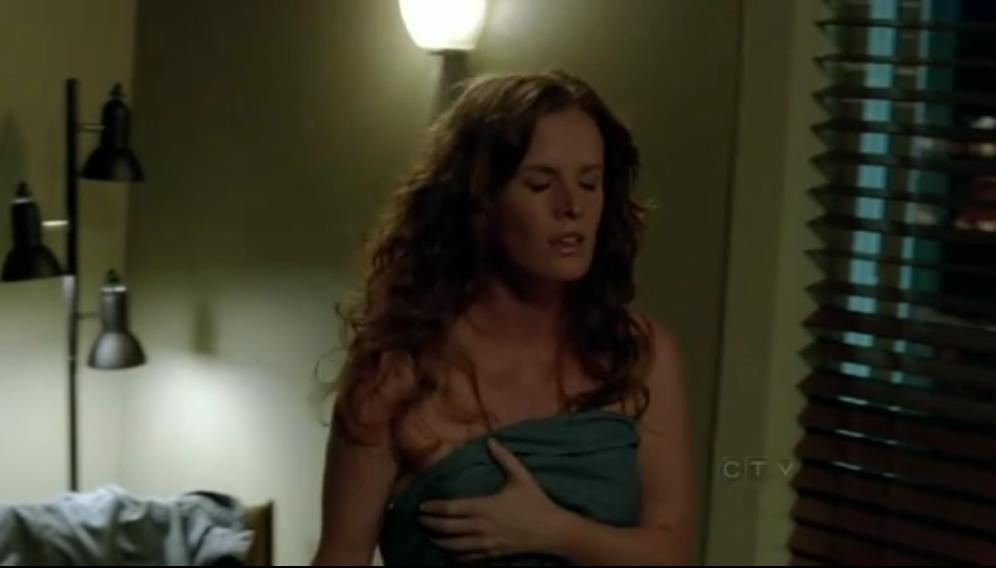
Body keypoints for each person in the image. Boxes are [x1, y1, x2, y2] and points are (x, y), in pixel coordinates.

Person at [311, 70, 694, 566]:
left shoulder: (638, 354)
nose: (572, 207)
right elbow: (341, 555)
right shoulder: (399, 371)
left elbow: (671, 552)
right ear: (480, 203)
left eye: (590, 182)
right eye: (540, 184)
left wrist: (557, 532)